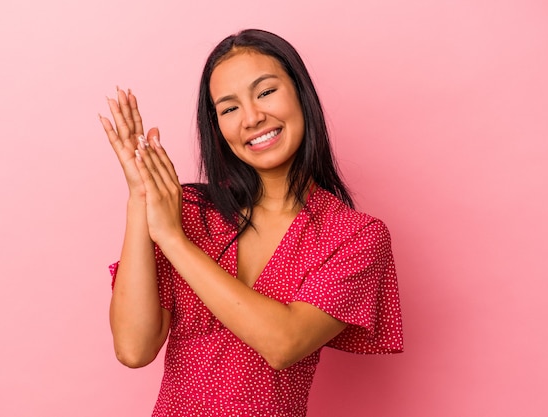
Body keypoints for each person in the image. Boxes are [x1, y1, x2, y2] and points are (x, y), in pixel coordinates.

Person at [99, 28, 403, 417]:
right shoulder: (189, 210)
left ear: (301, 94)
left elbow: (283, 344)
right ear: (217, 128)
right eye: (229, 108)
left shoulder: (354, 236)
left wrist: (173, 239)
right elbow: (133, 349)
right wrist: (141, 198)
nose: (253, 118)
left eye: (265, 92)